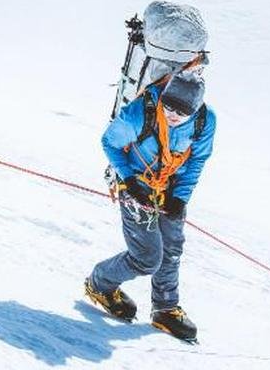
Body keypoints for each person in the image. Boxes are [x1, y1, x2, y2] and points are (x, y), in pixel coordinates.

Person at [84, 71, 216, 343]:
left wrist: (180, 198)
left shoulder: (204, 121)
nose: (172, 115)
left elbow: (197, 160)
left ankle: (165, 309)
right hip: (137, 187)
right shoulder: (141, 112)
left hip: (170, 188)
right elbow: (109, 141)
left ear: (196, 109)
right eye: (168, 106)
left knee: (171, 248)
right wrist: (130, 181)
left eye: (182, 111)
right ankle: (100, 283)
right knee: (146, 257)